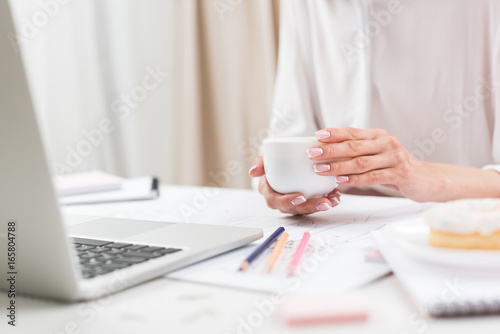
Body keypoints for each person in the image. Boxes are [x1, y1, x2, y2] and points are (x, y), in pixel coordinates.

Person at [249, 0, 500, 215]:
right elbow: (287, 135)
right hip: (335, 223)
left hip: (459, 219)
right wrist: (276, 183)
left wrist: (426, 176)